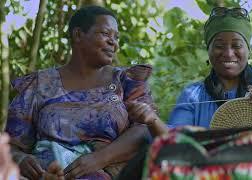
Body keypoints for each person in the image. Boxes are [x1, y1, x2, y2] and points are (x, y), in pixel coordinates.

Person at [121, 7, 252, 180]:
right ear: (208, 51)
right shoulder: (193, 94)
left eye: (236, 45)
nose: (228, 53)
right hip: (212, 169)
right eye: (218, 45)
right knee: (145, 158)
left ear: (248, 50)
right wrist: (152, 119)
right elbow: (174, 141)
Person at [5, 5, 155, 180]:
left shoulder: (127, 81)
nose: (113, 42)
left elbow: (145, 130)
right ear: (78, 35)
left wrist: (98, 159)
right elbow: (11, 146)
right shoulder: (38, 84)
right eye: (106, 34)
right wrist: (21, 159)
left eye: (116, 37)